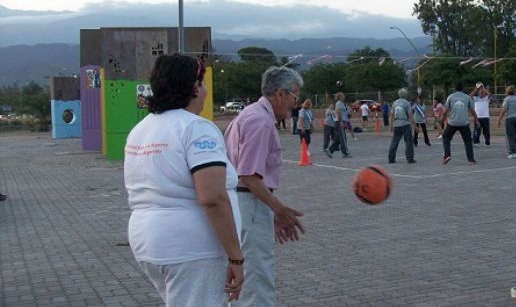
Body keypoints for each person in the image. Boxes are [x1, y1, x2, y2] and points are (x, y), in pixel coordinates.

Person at [124, 54, 244, 306]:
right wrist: (236, 257)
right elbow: (212, 198)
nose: (205, 90)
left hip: (149, 241)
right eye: (202, 82)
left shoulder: (141, 129)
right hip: (192, 247)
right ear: (193, 87)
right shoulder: (196, 128)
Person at [224, 66, 306, 307]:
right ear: (281, 94)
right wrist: (279, 210)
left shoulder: (250, 115)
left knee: (243, 280)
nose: (294, 104)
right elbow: (249, 176)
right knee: (256, 281)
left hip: (244, 203)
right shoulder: (260, 121)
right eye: (295, 97)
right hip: (248, 203)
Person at [441, 82, 478, 165]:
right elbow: (473, 111)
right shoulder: (467, 97)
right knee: (468, 141)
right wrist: (477, 120)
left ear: (455, 89)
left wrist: (442, 121)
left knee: (446, 137)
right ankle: (471, 159)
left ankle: (447, 155)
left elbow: (445, 111)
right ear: (463, 89)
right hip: (464, 123)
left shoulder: (450, 97)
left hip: (453, 122)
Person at [388, 88, 415, 164]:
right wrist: (414, 125)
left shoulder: (394, 103)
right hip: (405, 124)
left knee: (395, 141)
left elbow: (391, 115)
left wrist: (391, 125)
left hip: (396, 124)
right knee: (408, 141)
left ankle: (391, 158)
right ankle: (409, 158)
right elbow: (410, 115)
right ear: (405, 95)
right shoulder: (407, 103)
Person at [497, 85, 516, 159]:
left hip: (510, 118)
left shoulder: (507, 99)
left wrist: (499, 119)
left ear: (507, 91)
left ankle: (513, 152)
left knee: (510, 136)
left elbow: (504, 110)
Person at [326, 92, 352, 158]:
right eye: (343, 95)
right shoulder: (339, 103)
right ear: (339, 97)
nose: (344, 96)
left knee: (339, 139)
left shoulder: (342, 104)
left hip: (342, 121)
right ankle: (345, 153)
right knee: (342, 138)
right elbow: (337, 112)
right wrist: (341, 121)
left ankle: (330, 150)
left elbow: (344, 113)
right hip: (340, 122)